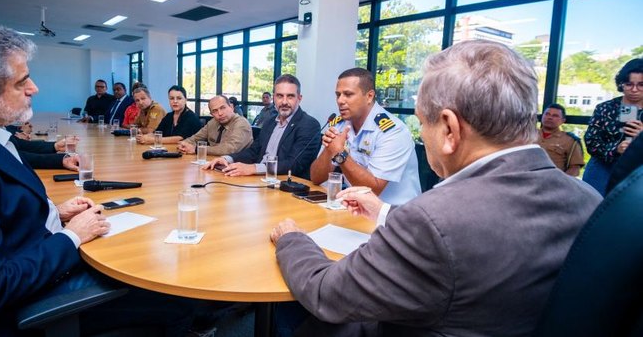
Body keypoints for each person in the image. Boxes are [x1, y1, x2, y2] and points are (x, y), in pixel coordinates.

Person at [269, 40, 601, 337]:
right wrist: (385, 212)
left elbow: (327, 294)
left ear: (449, 129)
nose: (422, 136)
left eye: (423, 123)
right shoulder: (589, 199)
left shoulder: (432, 219)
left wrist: (291, 238)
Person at [0, 17, 193, 335]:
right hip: (37, 296)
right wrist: (72, 235)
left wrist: (55, 214)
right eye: (22, 82)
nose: (34, 88)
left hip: (41, 253)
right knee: (175, 296)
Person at [309, 68, 421, 205]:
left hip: (394, 216)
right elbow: (315, 178)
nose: (340, 100)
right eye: (338, 95)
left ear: (369, 96)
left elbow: (372, 190)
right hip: (356, 210)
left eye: (348, 94)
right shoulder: (340, 124)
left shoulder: (393, 131)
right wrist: (329, 150)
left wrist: (339, 153)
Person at [205, 75, 321, 179]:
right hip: (259, 181)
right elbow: (253, 152)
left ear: (299, 98)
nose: (284, 102)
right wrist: (227, 159)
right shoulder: (270, 122)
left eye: (290, 96)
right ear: (274, 98)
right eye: (280, 96)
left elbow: (294, 164)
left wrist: (253, 169)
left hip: (285, 185)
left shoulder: (309, 125)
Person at [582, 58, 643, 195]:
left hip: (637, 172)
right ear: (621, 84)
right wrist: (615, 149)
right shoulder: (605, 108)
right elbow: (591, 141)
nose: (634, 90)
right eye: (629, 84)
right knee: (593, 208)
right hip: (602, 169)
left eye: (641, 85)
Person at [178, 95, 252, 156]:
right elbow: (194, 138)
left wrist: (198, 149)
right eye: (215, 111)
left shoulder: (242, 123)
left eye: (222, 108)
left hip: (237, 167)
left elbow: (229, 149)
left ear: (231, 107)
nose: (220, 113)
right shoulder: (213, 122)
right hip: (213, 163)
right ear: (211, 114)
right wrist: (184, 144)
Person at [536, 103, 585, 176]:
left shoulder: (570, 141)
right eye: (547, 114)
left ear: (563, 120)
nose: (549, 117)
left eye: (555, 116)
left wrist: (562, 182)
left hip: (552, 181)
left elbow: (575, 168)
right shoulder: (526, 135)